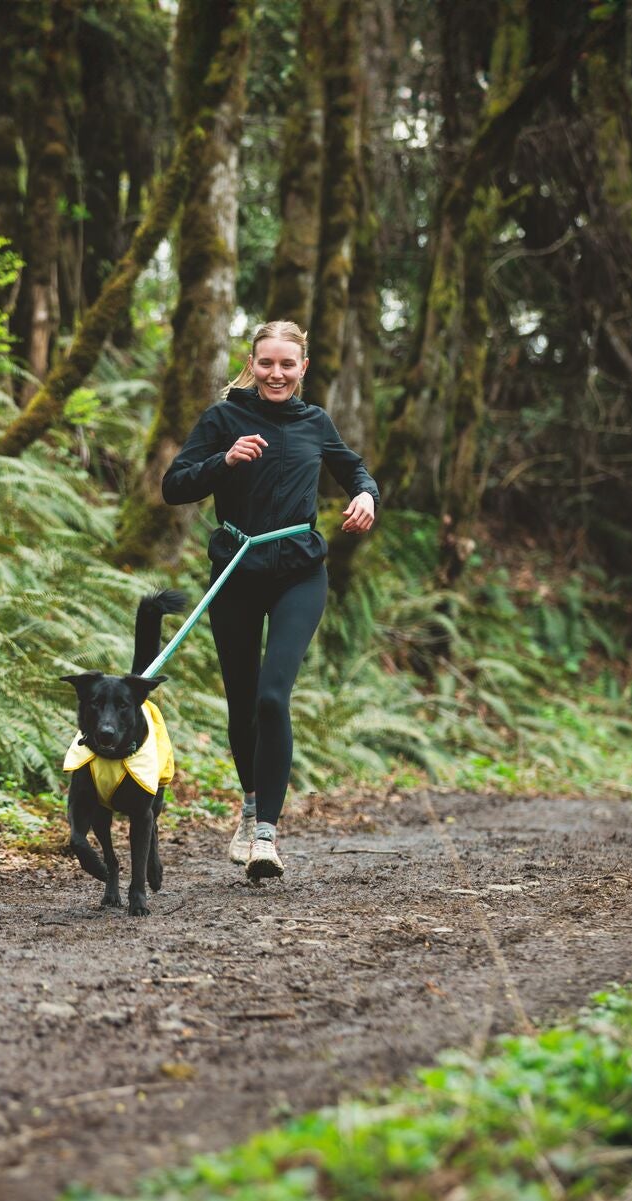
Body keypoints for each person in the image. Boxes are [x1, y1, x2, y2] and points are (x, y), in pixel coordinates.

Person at [161, 321, 378, 880]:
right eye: (266, 364)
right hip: (235, 569)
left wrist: (364, 494)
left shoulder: (314, 422)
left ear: (303, 368)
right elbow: (174, 485)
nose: (276, 373)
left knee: (272, 696)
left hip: (299, 571)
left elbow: (351, 465)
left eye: (288, 364)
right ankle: (251, 802)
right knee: (241, 703)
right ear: (251, 364)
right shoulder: (223, 419)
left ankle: (265, 836)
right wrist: (224, 462)